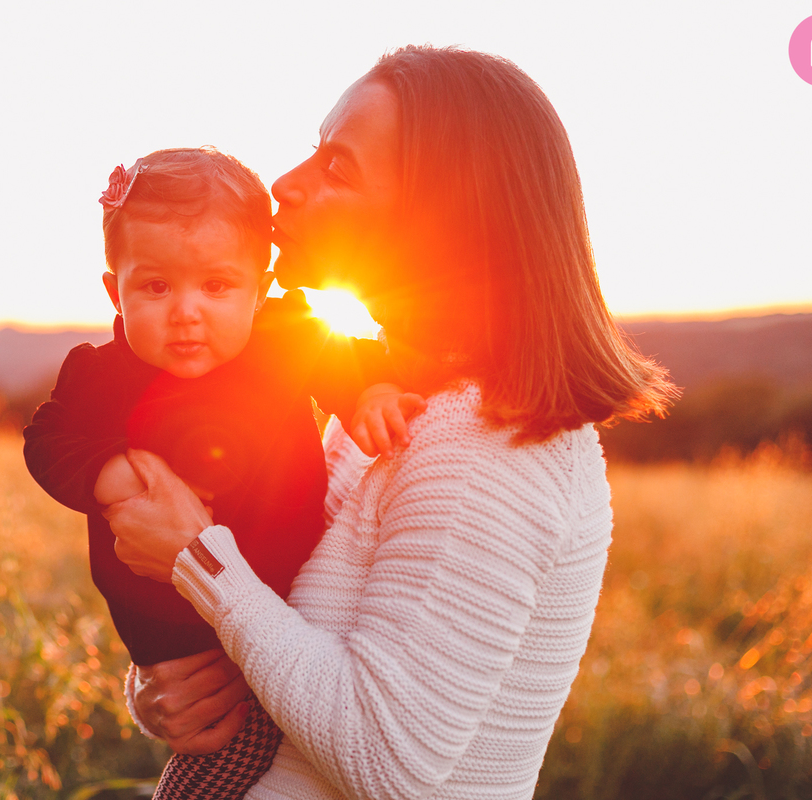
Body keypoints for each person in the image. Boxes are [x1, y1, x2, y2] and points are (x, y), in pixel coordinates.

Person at [102, 47, 677, 799]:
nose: (285, 186)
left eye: (338, 169)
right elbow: (283, 643)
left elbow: (389, 763)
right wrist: (164, 687)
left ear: (447, 216)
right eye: (315, 152)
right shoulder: (388, 406)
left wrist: (193, 556)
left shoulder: (490, 447)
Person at [22, 147, 424, 799]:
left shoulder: (283, 340)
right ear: (113, 290)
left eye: (216, 286)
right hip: (170, 634)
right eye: (156, 286)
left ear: (260, 288)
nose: (187, 312)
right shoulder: (99, 374)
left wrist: (371, 394)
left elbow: (349, 356)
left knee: (248, 760)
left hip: (281, 610)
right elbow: (47, 438)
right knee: (210, 751)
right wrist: (106, 472)